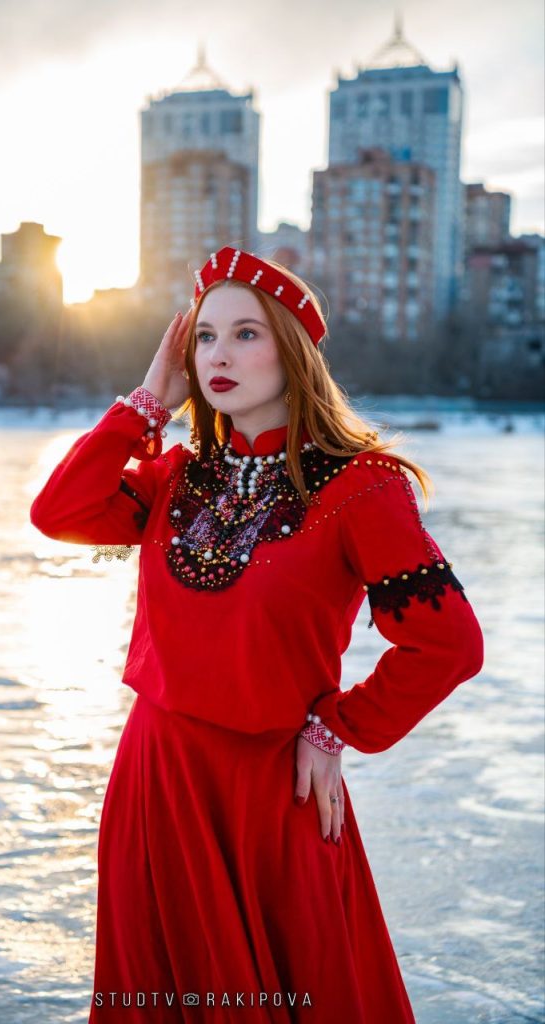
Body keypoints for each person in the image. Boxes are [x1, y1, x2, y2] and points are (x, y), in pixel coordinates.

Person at [29, 246, 484, 1023]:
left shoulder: (362, 488)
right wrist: (147, 401)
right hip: (156, 777)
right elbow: (59, 511)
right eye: (204, 337)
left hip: (270, 789)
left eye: (246, 334)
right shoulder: (176, 477)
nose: (218, 356)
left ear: (292, 352)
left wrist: (336, 728)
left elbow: (447, 646)